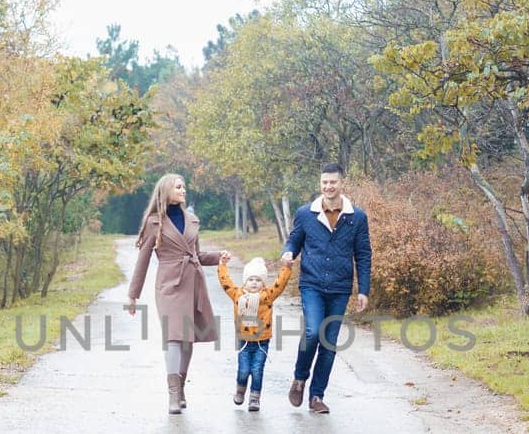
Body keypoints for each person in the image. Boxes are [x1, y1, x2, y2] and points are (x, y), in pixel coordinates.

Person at [126, 173, 228, 415]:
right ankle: (172, 395)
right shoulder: (154, 222)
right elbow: (142, 261)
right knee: (174, 337)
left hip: (193, 283)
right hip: (169, 285)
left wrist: (219, 258)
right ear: (166, 191)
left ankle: (181, 388)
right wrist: (133, 295)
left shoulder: (192, 220)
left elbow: (198, 255)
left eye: (184, 187)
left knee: (187, 339)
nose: (183, 191)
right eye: (178, 187)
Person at [281, 164, 372, 415]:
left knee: (329, 342)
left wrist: (363, 289)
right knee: (313, 331)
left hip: (340, 287)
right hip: (311, 283)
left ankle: (317, 396)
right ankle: (300, 378)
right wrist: (288, 252)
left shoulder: (357, 217)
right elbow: (294, 240)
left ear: (341, 183)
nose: (328, 187)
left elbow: (363, 254)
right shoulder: (305, 213)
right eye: (324, 183)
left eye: (333, 182)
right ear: (320, 184)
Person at [216, 255, 295, 412]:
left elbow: (280, 284)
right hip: (244, 341)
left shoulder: (267, 296)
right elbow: (226, 283)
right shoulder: (238, 295)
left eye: (258, 280)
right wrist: (222, 265)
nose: (254, 283)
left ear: (263, 283)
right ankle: (240, 388)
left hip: (262, 341)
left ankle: (254, 398)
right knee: (244, 369)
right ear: (245, 281)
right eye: (251, 279)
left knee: (257, 369)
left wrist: (287, 267)